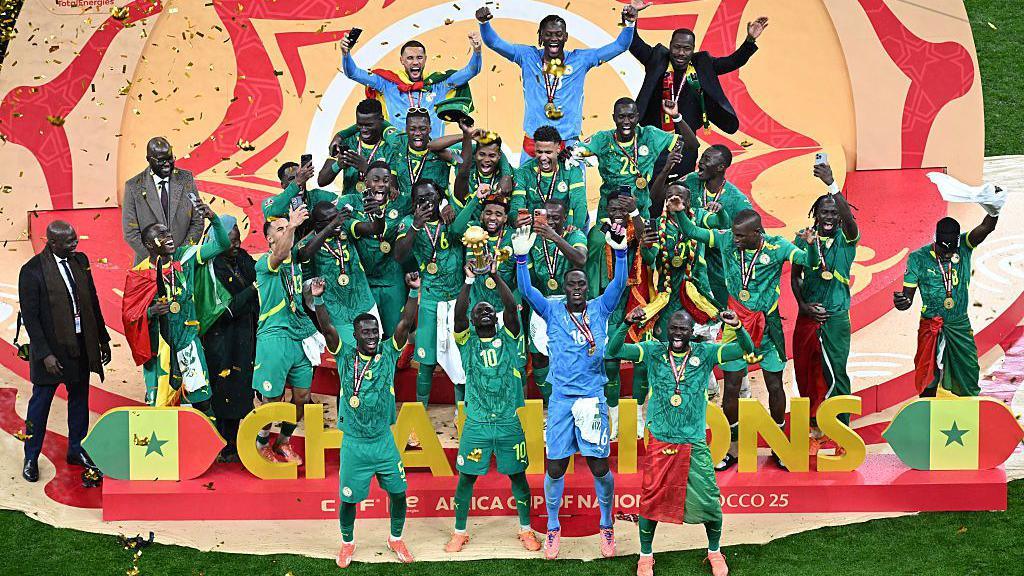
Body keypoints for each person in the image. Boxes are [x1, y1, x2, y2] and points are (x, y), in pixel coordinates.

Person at [513, 222, 629, 559]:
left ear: (586, 288)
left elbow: (619, 285)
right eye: (571, 284)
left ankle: (607, 525)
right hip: (562, 399)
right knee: (555, 467)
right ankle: (552, 527)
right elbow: (527, 292)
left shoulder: (599, 309)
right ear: (564, 288)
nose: (577, 288)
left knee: (599, 467)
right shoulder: (552, 309)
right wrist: (522, 259)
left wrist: (620, 253)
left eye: (581, 284)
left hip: (592, 399)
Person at [608, 307, 752, 576]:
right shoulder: (652, 351)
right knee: (651, 501)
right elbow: (615, 351)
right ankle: (646, 556)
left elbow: (744, 350)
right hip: (661, 440)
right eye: (673, 328)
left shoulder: (705, 353)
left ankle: (714, 551)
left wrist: (739, 327)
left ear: (691, 331)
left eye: (683, 328)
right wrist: (625, 323)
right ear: (664, 329)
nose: (677, 333)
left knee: (710, 502)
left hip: (694, 442)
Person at [676, 209, 818, 470]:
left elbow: (809, 262)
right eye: (734, 234)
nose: (735, 239)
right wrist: (679, 214)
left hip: (767, 326)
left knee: (775, 385)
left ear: (757, 233)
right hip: (733, 326)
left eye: (740, 236)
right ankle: (730, 446)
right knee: (731, 386)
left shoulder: (777, 247)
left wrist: (810, 246)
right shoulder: (727, 239)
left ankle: (779, 445)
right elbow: (693, 232)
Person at [444, 259, 541, 553]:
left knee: (518, 476)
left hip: (509, 422)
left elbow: (512, 308)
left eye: (489, 310)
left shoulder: (510, 338)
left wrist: (496, 275)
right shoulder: (466, 341)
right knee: (467, 478)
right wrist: (469, 280)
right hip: (476, 423)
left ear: (496, 319)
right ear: (473, 322)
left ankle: (525, 529)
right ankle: (460, 531)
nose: (485, 312)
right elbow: (458, 315)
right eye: (479, 311)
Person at [476, 4, 639, 157]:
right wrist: (484, 23)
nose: (553, 39)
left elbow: (620, 46)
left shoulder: (581, 60)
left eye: (558, 34)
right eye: (548, 34)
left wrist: (630, 23)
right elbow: (494, 43)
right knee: (527, 187)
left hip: (568, 144)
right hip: (534, 143)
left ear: (565, 37)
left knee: (574, 188)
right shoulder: (527, 57)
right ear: (541, 36)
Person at [18, 221, 111, 482]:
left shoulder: (80, 261)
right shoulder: (32, 271)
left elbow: (92, 301)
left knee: (79, 399)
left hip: (80, 346)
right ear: (52, 242)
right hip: (50, 353)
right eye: (69, 242)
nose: (75, 244)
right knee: (40, 405)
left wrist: (101, 339)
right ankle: (31, 456)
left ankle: (76, 449)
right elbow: (31, 318)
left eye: (75, 239)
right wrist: (45, 354)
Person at [629, 1, 768, 174]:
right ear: (670, 45)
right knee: (648, 190)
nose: (681, 53)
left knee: (682, 191)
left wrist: (750, 40)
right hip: (652, 142)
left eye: (686, 49)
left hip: (686, 144)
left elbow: (733, 61)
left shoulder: (702, 65)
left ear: (693, 50)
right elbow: (634, 44)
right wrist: (631, 18)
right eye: (677, 47)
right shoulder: (657, 58)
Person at [122, 203, 227, 413]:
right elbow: (129, 317)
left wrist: (213, 218)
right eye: (161, 234)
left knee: (202, 401)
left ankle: (206, 444)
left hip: (187, 341)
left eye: (169, 232)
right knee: (162, 405)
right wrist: (151, 312)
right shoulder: (139, 275)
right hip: (160, 348)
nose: (169, 236)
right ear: (149, 245)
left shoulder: (185, 258)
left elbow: (221, 245)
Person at [251, 204, 330, 464]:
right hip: (274, 336)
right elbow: (281, 252)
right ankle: (262, 442)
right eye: (280, 229)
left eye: (288, 227)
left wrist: (311, 291)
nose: (287, 232)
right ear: (269, 238)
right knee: (273, 398)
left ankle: (284, 441)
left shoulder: (295, 264)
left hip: (300, 335)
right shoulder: (265, 263)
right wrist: (293, 225)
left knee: (302, 396)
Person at [791, 162, 858, 452]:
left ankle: (842, 431)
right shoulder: (804, 237)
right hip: (807, 318)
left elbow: (850, 219)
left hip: (836, 317)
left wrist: (832, 185)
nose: (829, 216)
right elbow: (795, 277)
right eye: (824, 212)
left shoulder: (847, 239)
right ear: (816, 215)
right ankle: (813, 430)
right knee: (806, 372)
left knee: (837, 371)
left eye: (833, 212)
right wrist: (804, 306)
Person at [894, 212, 999, 397]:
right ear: (935, 240)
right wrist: (902, 302)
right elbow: (907, 298)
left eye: (952, 251)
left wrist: (994, 209)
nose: (948, 255)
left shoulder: (965, 245)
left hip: (958, 324)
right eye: (944, 251)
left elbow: (986, 227)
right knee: (928, 375)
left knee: (969, 370)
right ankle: (927, 415)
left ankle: (967, 417)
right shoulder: (918, 258)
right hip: (930, 325)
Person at [392, 180, 467, 412]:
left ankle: (461, 414)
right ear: (414, 203)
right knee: (426, 360)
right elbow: (399, 255)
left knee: (459, 361)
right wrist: (416, 225)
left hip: (457, 298)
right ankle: (419, 414)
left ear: (440, 197)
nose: (427, 202)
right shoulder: (408, 223)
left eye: (432, 197)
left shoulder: (451, 216)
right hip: (430, 299)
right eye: (421, 199)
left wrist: (448, 205)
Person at [572, 97, 698, 228]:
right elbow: (579, 150)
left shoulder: (650, 135)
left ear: (637, 117)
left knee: (640, 247)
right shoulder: (603, 139)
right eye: (621, 117)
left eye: (631, 117)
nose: (626, 122)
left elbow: (693, 145)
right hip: (609, 213)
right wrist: (571, 152)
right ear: (614, 117)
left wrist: (676, 116)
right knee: (604, 247)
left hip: (640, 211)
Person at [341, 34, 482, 139]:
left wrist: (477, 51)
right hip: (399, 156)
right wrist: (346, 54)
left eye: (419, 58)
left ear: (425, 59)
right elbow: (353, 73)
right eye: (410, 58)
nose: (415, 62)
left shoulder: (439, 84)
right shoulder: (388, 84)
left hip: (434, 156)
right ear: (402, 60)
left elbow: (471, 70)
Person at [201, 216, 258, 462]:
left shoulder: (243, 257)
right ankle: (219, 441)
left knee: (241, 384)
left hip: (244, 334)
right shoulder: (210, 270)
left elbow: (261, 272)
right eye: (230, 242)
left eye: (237, 240)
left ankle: (233, 442)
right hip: (220, 339)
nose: (235, 246)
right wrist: (254, 289)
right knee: (222, 385)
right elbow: (226, 308)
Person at [519, 199, 587, 405]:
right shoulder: (532, 238)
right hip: (543, 303)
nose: (550, 222)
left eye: (556, 218)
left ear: (565, 219)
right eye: (546, 217)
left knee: (570, 353)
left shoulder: (575, 235)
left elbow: (581, 259)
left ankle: (571, 399)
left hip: (570, 304)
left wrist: (554, 237)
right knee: (539, 355)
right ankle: (551, 403)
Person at [303, 199, 383, 349]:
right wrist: (332, 225)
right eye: (331, 220)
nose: (338, 222)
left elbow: (374, 228)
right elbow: (304, 254)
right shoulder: (309, 243)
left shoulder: (345, 227)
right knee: (350, 353)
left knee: (373, 348)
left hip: (363, 301)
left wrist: (379, 215)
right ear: (319, 225)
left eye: (337, 217)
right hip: (337, 310)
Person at [682, 145, 753, 307]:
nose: (700, 162)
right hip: (688, 262)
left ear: (721, 167)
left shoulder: (736, 200)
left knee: (717, 314)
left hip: (718, 267)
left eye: (707, 159)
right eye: (702, 158)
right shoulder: (690, 182)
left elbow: (755, 235)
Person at [122, 137, 205, 264]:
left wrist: (182, 255)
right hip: (150, 266)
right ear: (149, 160)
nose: (167, 164)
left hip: (183, 263)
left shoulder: (186, 179)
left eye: (170, 158)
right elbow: (131, 233)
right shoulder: (134, 187)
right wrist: (157, 260)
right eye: (161, 161)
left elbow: (197, 221)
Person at [352, 161, 409, 338]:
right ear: (365, 181)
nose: (381, 185)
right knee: (367, 335)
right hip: (364, 282)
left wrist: (445, 203)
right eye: (375, 180)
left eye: (386, 180)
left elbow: (428, 198)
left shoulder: (402, 203)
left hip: (393, 281)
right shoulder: (352, 203)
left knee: (393, 334)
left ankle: (391, 366)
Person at [382, 109, 459, 217]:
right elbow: (379, 121)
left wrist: (466, 135)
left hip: (430, 213)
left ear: (430, 129)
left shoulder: (442, 152)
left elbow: (462, 159)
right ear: (406, 129)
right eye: (412, 129)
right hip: (401, 211)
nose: (417, 133)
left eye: (422, 129)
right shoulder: (397, 141)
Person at [511, 125, 589, 231]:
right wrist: (516, 219)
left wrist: (575, 229)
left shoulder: (571, 170)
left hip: (564, 229)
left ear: (558, 148)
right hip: (534, 229)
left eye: (548, 152)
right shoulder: (523, 172)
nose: (543, 157)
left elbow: (579, 204)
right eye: (539, 152)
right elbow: (517, 203)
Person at [318, 98, 398, 191]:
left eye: (369, 125)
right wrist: (338, 165)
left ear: (381, 120)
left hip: (375, 205)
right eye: (360, 125)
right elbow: (321, 181)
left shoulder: (390, 147)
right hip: (349, 204)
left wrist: (367, 169)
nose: (363, 129)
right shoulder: (347, 142)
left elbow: (392, 189)